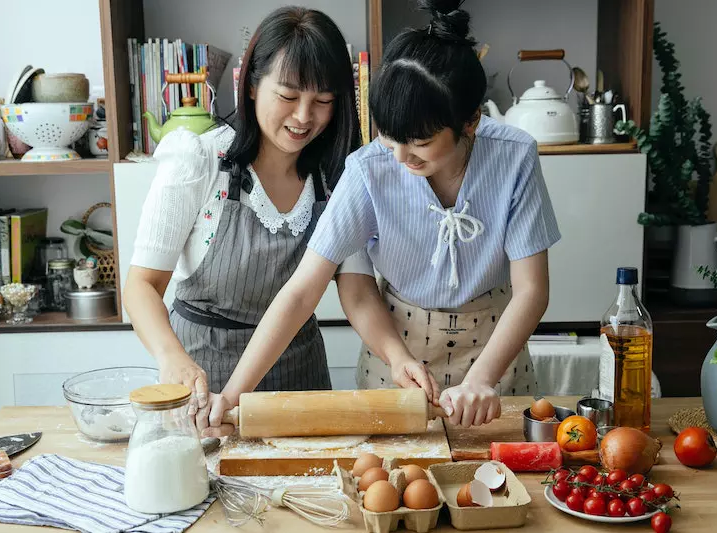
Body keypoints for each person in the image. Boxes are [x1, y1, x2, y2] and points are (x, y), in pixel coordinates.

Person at [204, 0, 562, 434]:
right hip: (396, 355)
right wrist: (231, 395)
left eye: (419, 142)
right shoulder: (367, 169)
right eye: (388, 135)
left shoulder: (514, 155)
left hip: (494, 358)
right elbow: (301, 292)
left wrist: (483, 379)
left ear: (469, 123)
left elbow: (531, 291)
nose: (398, 155)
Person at [122, 6, 363, 437]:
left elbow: (356, 289)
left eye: (323, 101)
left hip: (300, 386)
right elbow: (141, 286)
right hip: (204, 385)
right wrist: (172, 358)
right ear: (251, 84)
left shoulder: (336, 177)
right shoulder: (198, 161)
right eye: (288, 96)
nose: (304, 116)